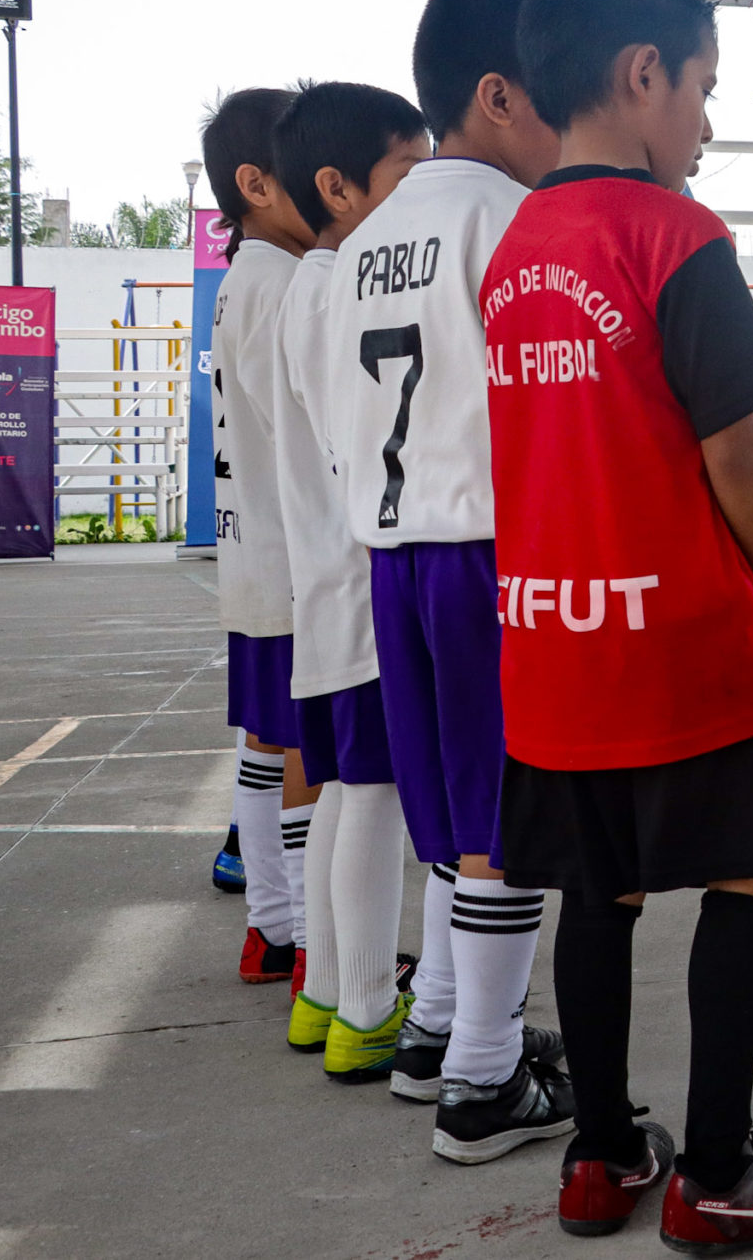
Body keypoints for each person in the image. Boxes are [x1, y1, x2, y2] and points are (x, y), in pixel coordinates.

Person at [489, 0, 753, 1246]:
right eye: (703, 87)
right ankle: (717, 1172)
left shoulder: (516, 244)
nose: (706, 120)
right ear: (641, 73)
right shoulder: (675, 234)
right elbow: (731, 446)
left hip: (549, 639)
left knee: (599, 890)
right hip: (678, 638)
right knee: (748, 868)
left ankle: (600, 1160)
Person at [319, 0, 571, 1163]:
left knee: (445, 807)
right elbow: (543, 401)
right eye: (553, 93)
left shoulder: (370, 236)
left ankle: (436, 1031)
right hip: (486, 549)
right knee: (504, 814)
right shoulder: (508, 221)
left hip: (394, 549)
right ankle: (484, 1077)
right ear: (498, 95)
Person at [272, 81, 432, 1075]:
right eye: (406, 175)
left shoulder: (309, 287)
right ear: (335, 187)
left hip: (324, 582)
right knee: (373, 794)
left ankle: (328, 995)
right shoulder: (349, 286)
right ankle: (369, 1009)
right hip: (365, 572)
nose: (421, 195)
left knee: (342, 790)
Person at [203, 87, 315, 989]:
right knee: (309, 754)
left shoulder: (244, 275)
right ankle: (318, 942)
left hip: (252, 558)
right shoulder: (284, 283)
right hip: (293, 561)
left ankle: (271, 926)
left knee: (265, 742)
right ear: (256, 183)